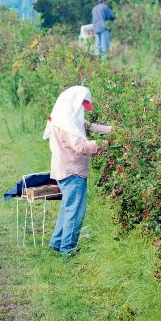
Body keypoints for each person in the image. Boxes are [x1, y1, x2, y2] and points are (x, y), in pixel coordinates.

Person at [43, 86, 112, 255]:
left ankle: (56, 243)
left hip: (63, 170)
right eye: (82, 105)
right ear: (73, 103)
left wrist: (113, 130)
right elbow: (81, 146)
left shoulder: (63, 118)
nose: (82, 109)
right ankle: (67, 250)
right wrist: (105, 145)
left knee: (67, 208)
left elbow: (89, 126)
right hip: (73, 172)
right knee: (75, 211)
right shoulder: (67, 125)